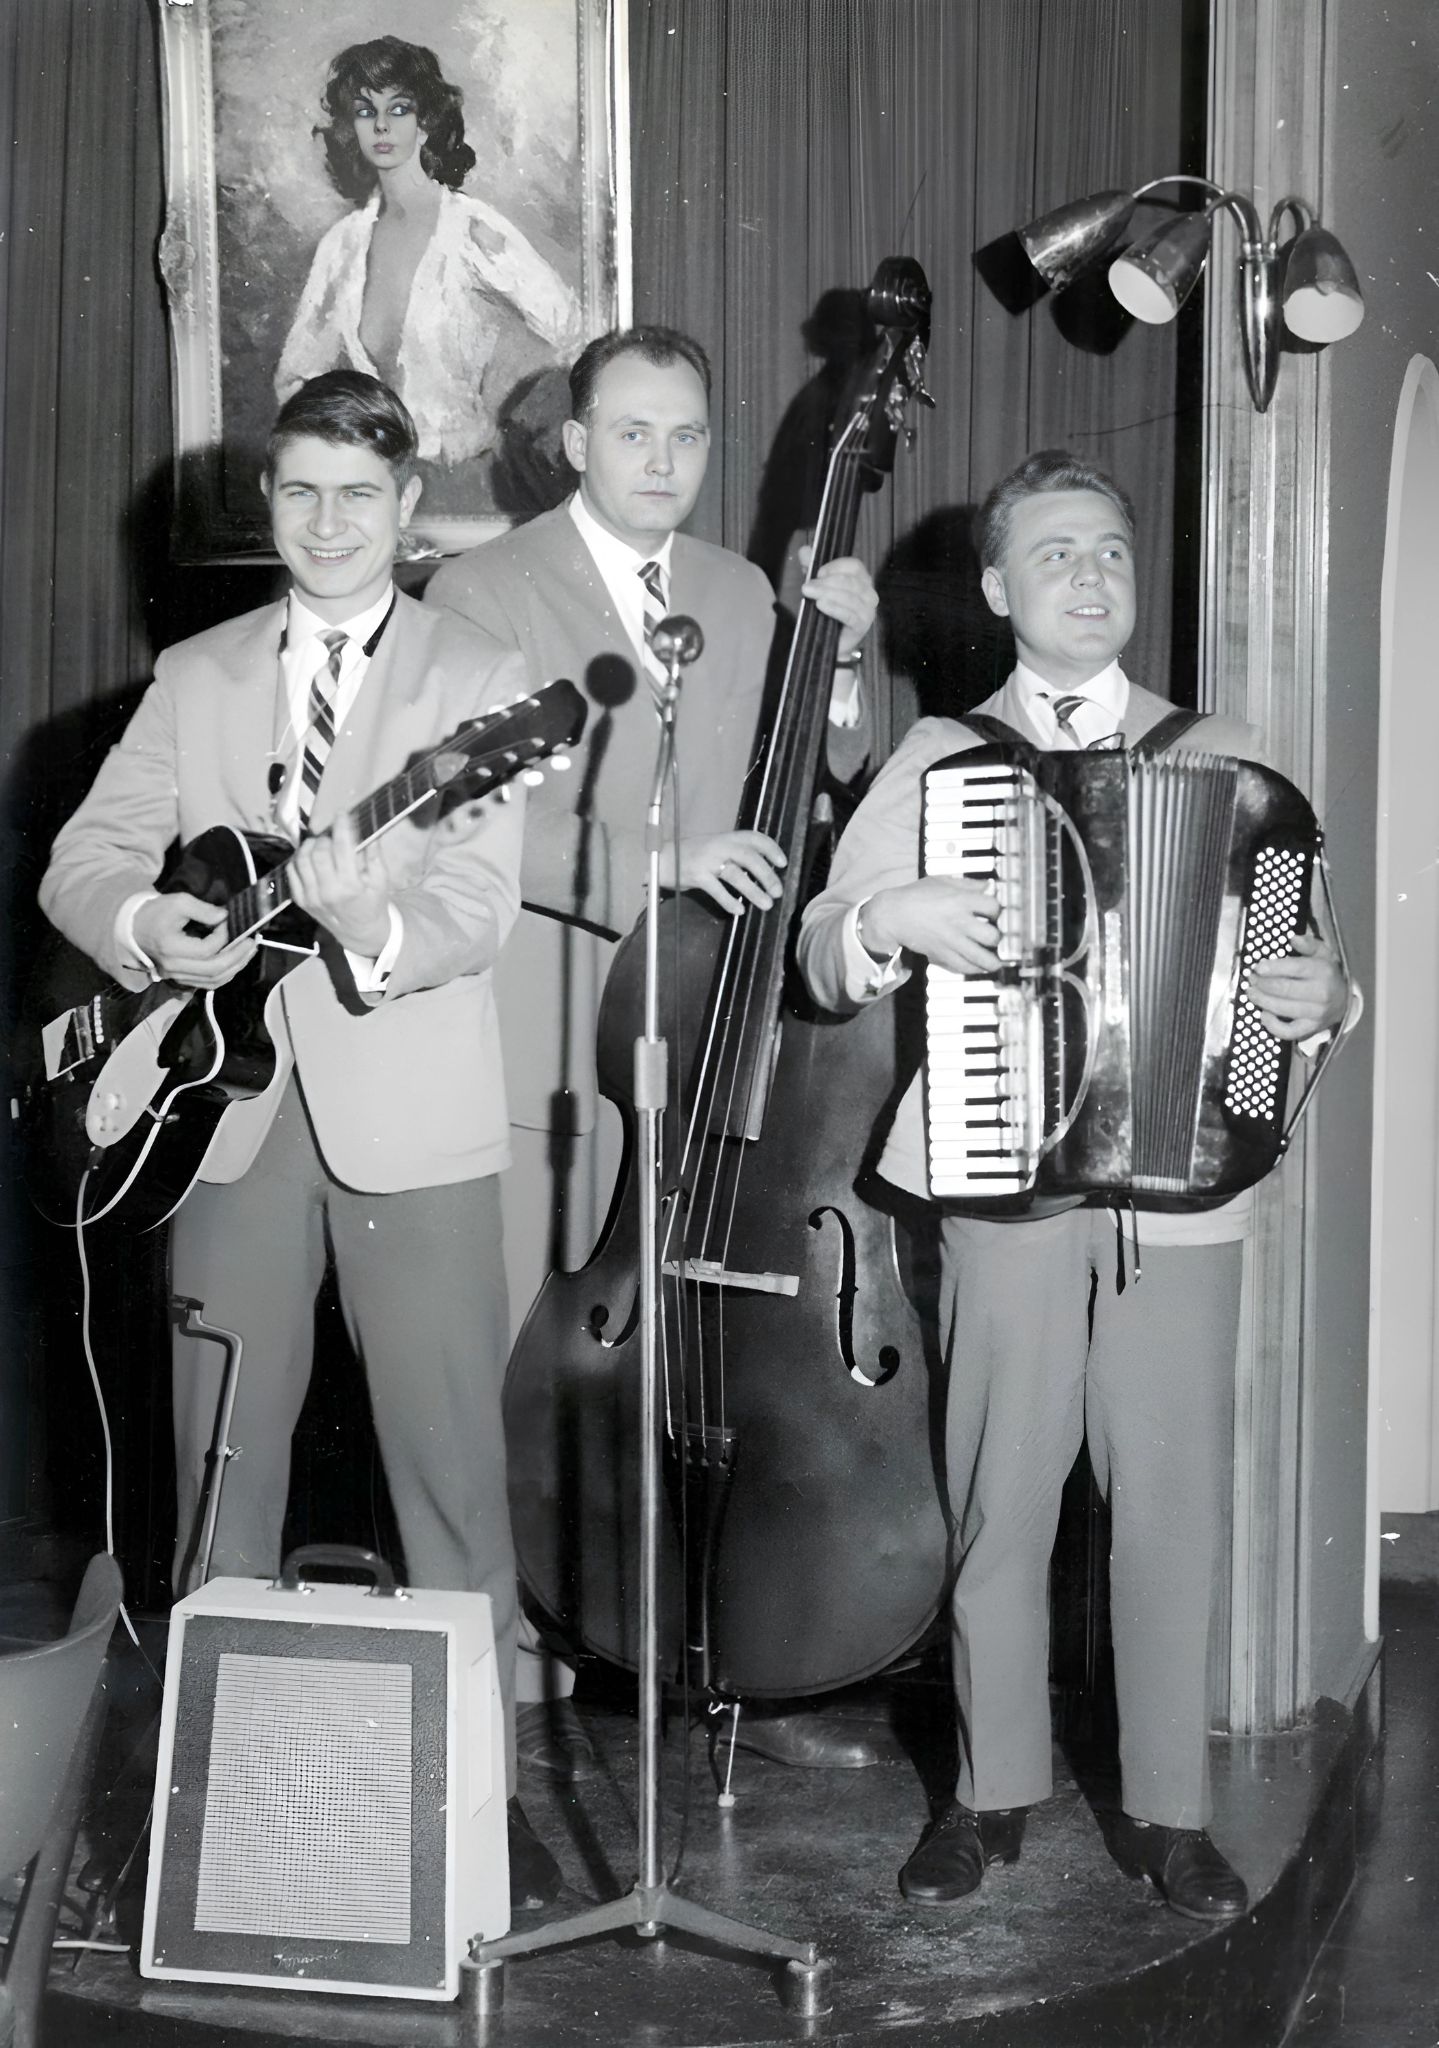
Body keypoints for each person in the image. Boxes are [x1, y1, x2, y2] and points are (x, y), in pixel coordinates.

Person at [796, 449, 1353, 1920]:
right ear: (995, 589)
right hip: (999, 1184)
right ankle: (988, 1796)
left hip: (1183, 1197)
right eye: (1054, 556)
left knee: (1169, 1503)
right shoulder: (935, 758)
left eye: (1107, 552)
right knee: (1001, 1496)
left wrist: (1328, 1002)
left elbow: (1296, 972)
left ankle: (1166, 1811)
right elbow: (819, 943)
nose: (1089, 578)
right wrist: (886, 912)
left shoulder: (1221, 756)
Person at [38, 370, 562, 1909]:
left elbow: (474, 910)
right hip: (227, 1118)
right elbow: (87, 859)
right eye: (298, 493)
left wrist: (371, 922)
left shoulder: (482, 672)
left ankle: (489, 1806)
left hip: (417, 1125)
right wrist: (150, 925)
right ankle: (205, 1817)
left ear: (408, 512)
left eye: (359, 496)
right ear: (267, 506)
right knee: (219, 1476)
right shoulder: (196, 671)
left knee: (450, 1477)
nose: (326, 523)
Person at [426, 323, 886, 1776]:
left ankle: (690, 1643)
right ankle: (508, 1664)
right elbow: (456, 809)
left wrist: (847, 662)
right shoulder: (481, 589)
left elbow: (819, 773)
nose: (661, 463)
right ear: (571, 440)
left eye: (686, 436)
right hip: (546, 1048)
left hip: (706, 1055)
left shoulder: (746, 591)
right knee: (527, 1369)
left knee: (694, 1362)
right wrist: (659, 851)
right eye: (631, 433)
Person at [275, 37, 581, 467]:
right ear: (352, 126)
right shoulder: (342, 245)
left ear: (425, 122)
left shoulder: (470, 229)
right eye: (366, 111)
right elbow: (296, 375)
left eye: (398, 108)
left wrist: (498, 420)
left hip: (470, 482)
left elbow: (569, 330)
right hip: (378, 481)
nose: (381, 125)